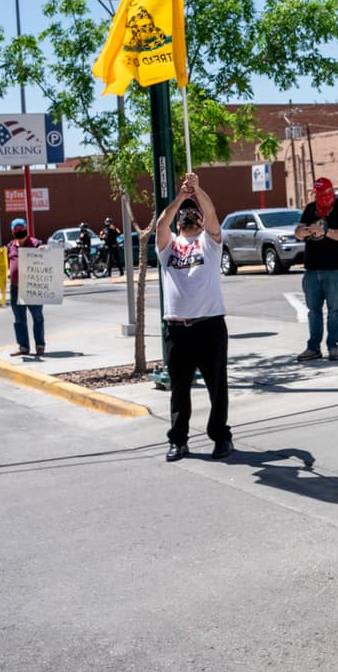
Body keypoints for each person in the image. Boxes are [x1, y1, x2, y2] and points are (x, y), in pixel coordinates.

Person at [155, 172, 232, 462]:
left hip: (209, 326)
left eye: (193, 214)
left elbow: (212, 215)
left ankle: (221, 437)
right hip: (177, 329)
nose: (188, 216)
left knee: (217, 386)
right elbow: (161, 223)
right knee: (179, 390)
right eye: (183, 215)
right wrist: (181, 198)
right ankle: (178, 440)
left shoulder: (209, 244)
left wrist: (198, 192)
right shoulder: (169, 246)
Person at [293, 177, 338, 362]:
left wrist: (326, 232)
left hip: (334, 268)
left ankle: (333, 346)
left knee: (334, 309)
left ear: (330, 192)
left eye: (322, 194)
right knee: (314, 310)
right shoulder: (311, 209)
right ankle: (313, 347)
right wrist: (304, 232)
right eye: (317, 194)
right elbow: (297, 231)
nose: (319, 198)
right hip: (312, 268)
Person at [7, 217, 46, 357]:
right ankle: (23, 347)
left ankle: (40, 346)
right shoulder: (10, 246)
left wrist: (43, 250)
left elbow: (46, 258)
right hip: (15, 287)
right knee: (19, 319)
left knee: (37, 317)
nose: (20, 231)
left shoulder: (35, 244)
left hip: (32, 286)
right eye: (16, 229)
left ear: (26, 229)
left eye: (22, 228)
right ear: (13, 232)